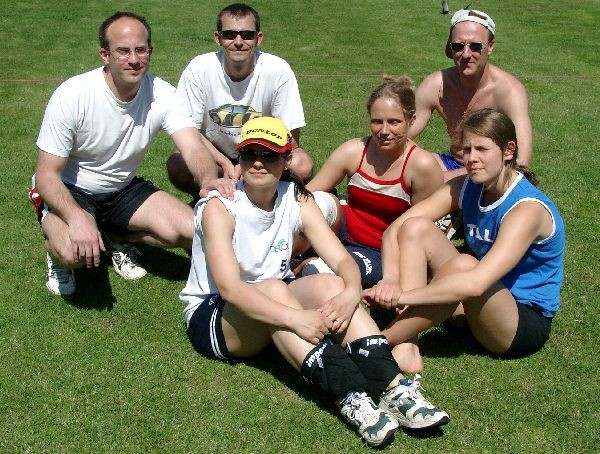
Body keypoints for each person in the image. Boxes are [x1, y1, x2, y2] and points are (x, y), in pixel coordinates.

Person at [180, 117, 449, 447]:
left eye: (270, 155)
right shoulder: (220, 207)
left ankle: (393, 387)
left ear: (287, 159)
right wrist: (296, 318)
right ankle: (351, 397)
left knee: (330, 284)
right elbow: (230, 289)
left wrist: (351, 291)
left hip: (273, 302)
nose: (258, 163)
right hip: (216, 315)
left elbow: (341, 260)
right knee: (276, 290)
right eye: (249, 154)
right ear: (239, 158)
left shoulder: (295, 197)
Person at [32, 11, 231, 296]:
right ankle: (56, 253)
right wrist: (76, 217)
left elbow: (193, 147)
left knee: (193, 229)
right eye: (123, 51)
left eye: (141, 50)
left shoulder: (163, 93)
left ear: (151, 51)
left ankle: (113, 235)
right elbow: (46, 175)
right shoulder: (72, 95)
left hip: (122, 189)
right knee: (71, 252)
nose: (134, 59)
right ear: (105, 54)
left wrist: (208, 179)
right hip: (72, 189)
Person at [363, 108, 565, 373]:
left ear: (508, 151)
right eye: (467, 150)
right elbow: (396, 229)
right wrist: (389, 279)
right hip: (471, 305)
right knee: (416, 227)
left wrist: (403, 297)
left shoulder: (527, 209)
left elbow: (476, 283)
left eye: (482, 149)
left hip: (516, 322)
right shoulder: (467, 185)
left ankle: (376, 343)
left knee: (465, 266)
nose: (472, 159)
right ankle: (408, 345)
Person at [304, 77, 443, 287]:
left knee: (319, 272)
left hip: (379, 252)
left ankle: (302, 265)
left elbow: (420, 230)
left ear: (412, 120)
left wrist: (395, 277)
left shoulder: (421, 166)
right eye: (377, 121)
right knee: (316, 202)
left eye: (394, 122)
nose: (384, 131)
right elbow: (305, 195)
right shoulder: (355, 151)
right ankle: (282, 257)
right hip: (342, 229)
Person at [167, 3, 313, 201]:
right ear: (218, 38)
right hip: (214, 152)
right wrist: (224, 162)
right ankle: (205, 199)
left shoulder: (278, 70)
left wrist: (250, 160)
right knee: (179, 163)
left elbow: (291, 139)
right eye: (229, 34)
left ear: (258, 38)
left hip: (263, 150)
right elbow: (188, 131)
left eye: (246, 35)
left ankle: (271, 203)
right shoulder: (199, 68)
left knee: (301, 165)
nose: (238, 41)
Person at [408, 9, 532, 182]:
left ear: (490, 46)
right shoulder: (436, 85)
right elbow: (400, 137)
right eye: (458, 46)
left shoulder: (509, 91)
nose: (466, 54)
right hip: (450, 163)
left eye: (475, 46)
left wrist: (446, 179)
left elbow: (521, 163)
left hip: (490, 172)